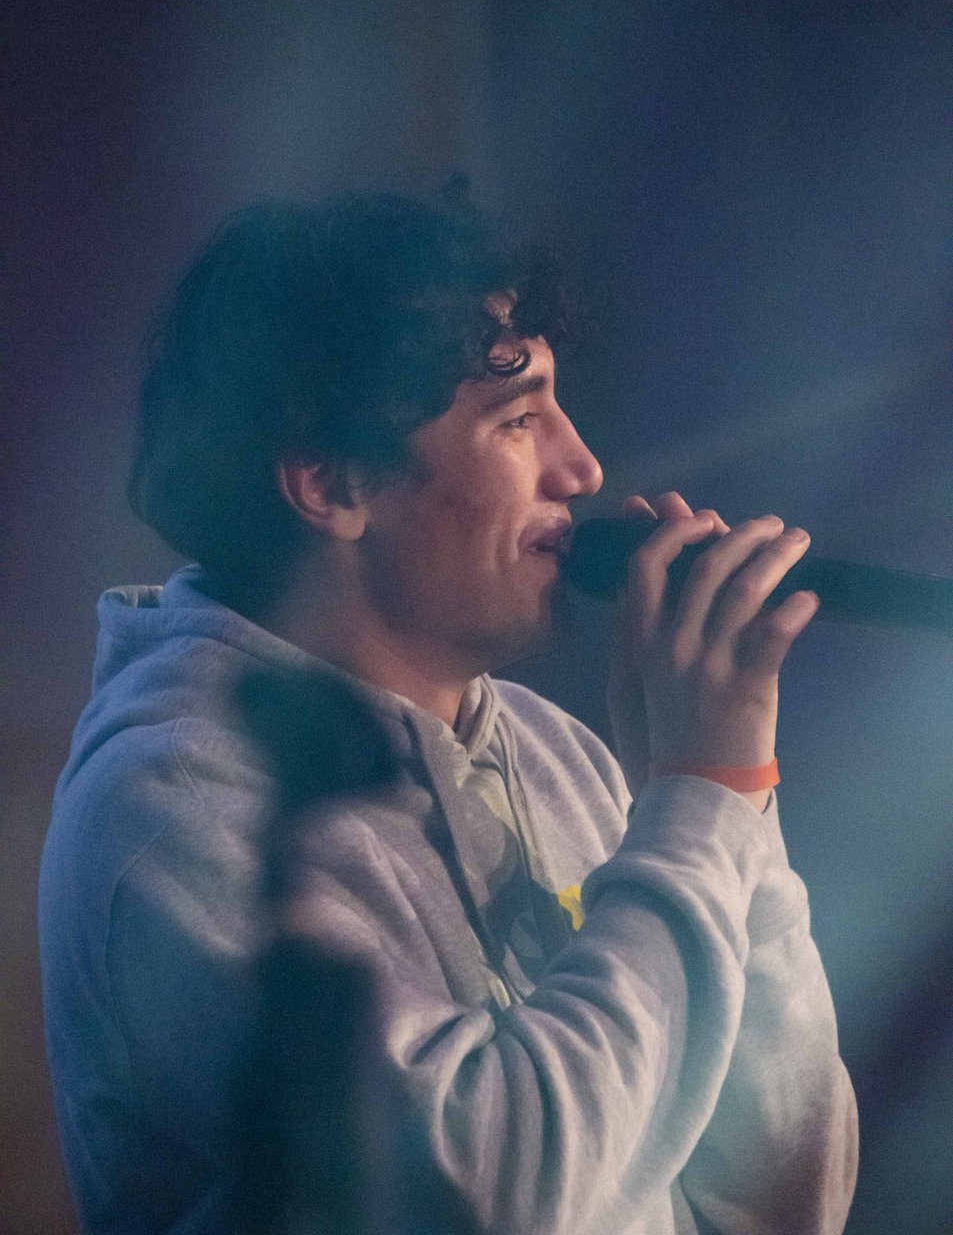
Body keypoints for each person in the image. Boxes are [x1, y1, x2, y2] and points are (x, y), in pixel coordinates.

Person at [39, 190, 858, 1234]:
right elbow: (487, 1200)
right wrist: (695, 803)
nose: (581, 468)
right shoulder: (176, 811)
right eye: (516, 420)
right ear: (332, 484)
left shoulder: (556, 754)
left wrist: (723, 802)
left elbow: (787, 1196)